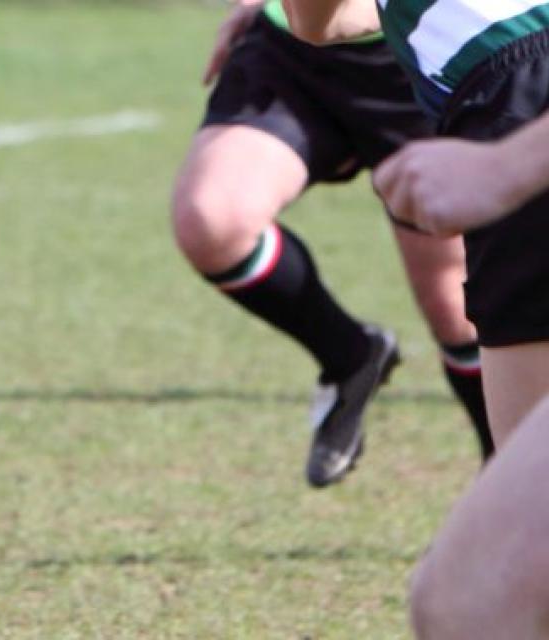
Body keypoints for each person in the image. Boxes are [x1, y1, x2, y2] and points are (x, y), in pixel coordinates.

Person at [282, 0, 549, 636]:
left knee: (481, 593)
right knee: (472, 594)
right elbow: (320, 23)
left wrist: (504, 164)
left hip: (519, 94)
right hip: (501, 97)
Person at [170, 0, 493, 489]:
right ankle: (351, 356)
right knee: (211, 220)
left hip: (421, 48)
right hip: (292, 47)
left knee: (456, 307)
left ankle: (506, 489)